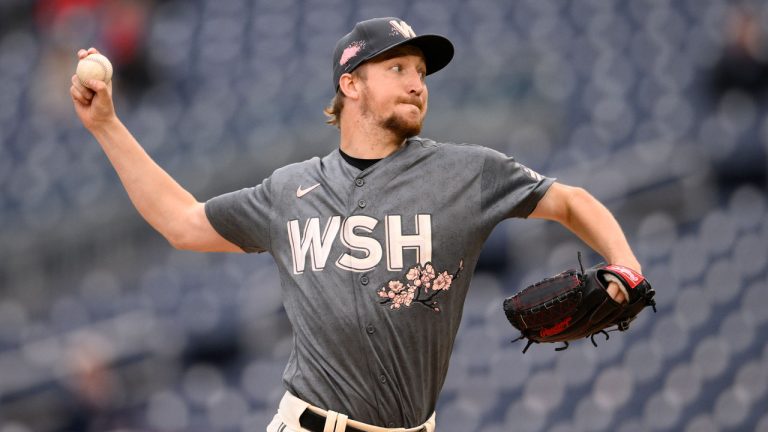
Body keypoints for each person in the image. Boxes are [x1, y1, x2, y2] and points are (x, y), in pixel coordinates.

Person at [70, 17, 641, 432]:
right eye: (397, 68)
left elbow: (570, 201)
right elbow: (182, 222)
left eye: (421, 71)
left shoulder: (469, 173)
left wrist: (625, 262)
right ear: (350, 84)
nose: (417, 82)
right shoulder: (289, 190)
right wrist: (106, 127)